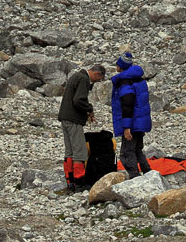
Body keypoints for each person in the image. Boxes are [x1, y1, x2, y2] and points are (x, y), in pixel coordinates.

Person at [58, 63, 105, 191]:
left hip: (65, 117)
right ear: (96, 73)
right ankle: (79, 182)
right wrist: (89, 109)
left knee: (69, 151)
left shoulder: (76, 76)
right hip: (73, 119)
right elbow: (79, 100)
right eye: (99, 79)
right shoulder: (84, 79)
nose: (97, 81)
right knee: (80, 152)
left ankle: (70, 181)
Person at [110, 52, 152, 177]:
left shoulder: (125, 82)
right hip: (140, 121)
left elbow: (127, 105)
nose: (116, 66)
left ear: (121, 66)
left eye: (117, 64)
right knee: (137, 149)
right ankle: (148, 173)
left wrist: (127, 127)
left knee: (126, 152)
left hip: (132, 123)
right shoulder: (138, 79)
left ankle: (135, 176)